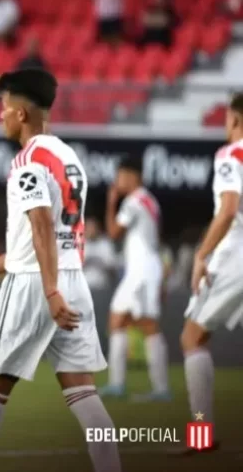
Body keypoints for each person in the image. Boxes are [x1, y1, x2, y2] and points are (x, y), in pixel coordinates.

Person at [0, 69, 120, 472]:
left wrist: (48, 292)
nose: (1, 115)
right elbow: (51, 236)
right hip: (71, 279)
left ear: (23, 113)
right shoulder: (68, 156)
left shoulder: (28, 159)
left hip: (36, 286)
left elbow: (42, 226)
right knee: (84, 394)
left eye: (5, 106)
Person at [182, 92, 243, 455]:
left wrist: (201, 254)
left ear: (234, 120)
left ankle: (201, 438)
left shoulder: (231, 154)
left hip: (235, 256)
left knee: (192, 338)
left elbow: (228, 209)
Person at [101, 156, 169, 401]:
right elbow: (155, 240)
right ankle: (117, 385)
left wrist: (111, 203)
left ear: (133, 176)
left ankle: (161, 389)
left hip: (141, 272)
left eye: (120, 176)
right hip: (143, 270)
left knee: (148, 325)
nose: (117, 181)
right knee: (117, 320)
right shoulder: (150, 200)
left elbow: (113, 232)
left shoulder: (132, 201)